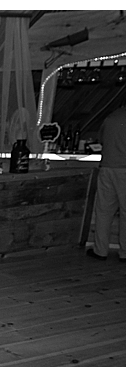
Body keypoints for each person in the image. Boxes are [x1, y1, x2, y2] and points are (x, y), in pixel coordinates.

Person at [88, 105, 125, 263]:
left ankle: (100, 250)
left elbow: (101, 140)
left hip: (107, 167)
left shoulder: (112, 116)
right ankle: (126, 252)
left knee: (103, 211)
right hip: (128, 169)